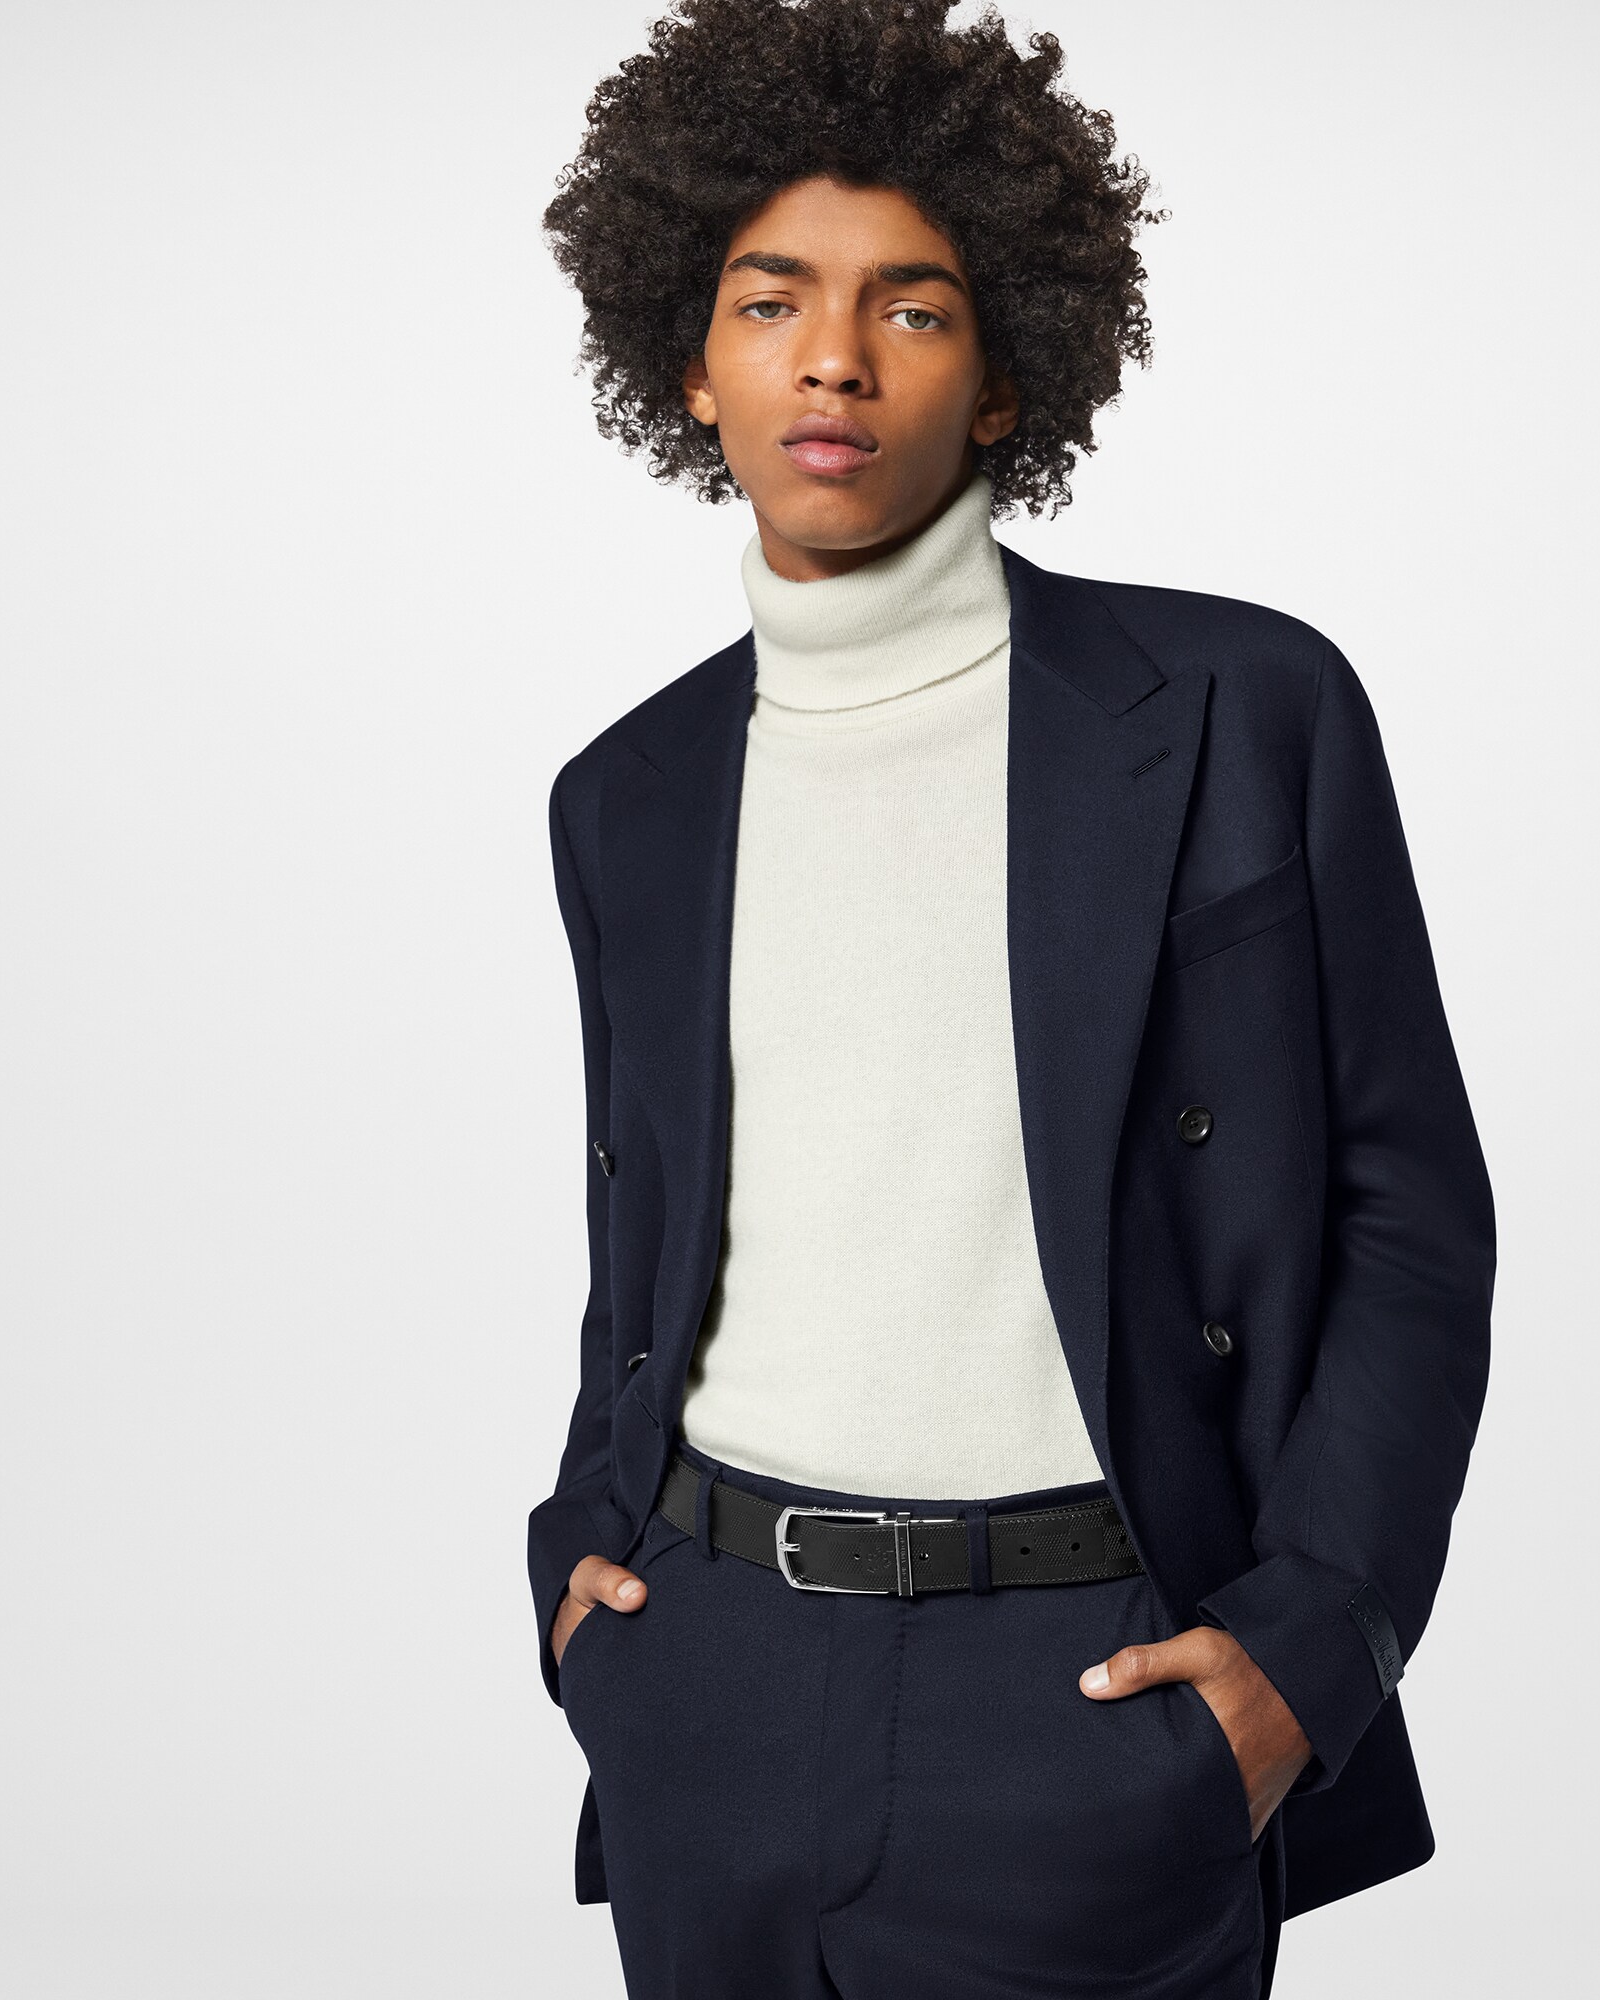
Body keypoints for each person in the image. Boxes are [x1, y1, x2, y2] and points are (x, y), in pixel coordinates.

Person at [525, 4, 1494, 1994]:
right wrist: (584, 1567)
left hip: (1093, 1692)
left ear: (1002, 380)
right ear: (689, 362)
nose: (834, 357)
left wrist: (1311, 1643)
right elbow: (650, 1241)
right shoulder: (625, 796)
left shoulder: (1240, 711)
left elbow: (1406, 1212)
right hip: (708, 1679)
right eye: (770, 300)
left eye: (914, 307)